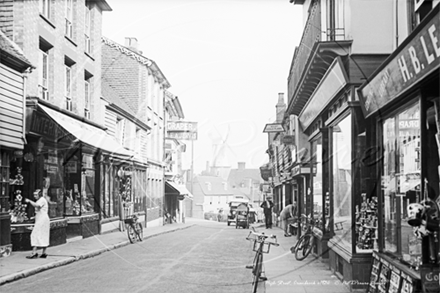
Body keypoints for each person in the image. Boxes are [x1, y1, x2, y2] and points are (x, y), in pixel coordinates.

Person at [24, 189, 50, 258]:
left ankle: (34, 252)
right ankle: (44, 253)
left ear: (40, 194)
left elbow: (37, 206)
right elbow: (40, 210)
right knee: (43, 235)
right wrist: (34, 217)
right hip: (42, 219)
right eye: (34, 195)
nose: (34, 196)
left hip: (42, 220)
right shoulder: (41, 200)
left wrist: (29, 201)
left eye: (36, 195)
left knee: (34, 234)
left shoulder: (41, 200)